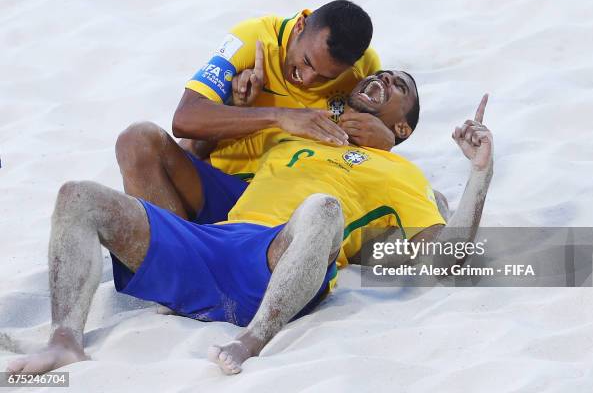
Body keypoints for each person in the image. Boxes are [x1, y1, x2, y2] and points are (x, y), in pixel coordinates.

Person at [6, 70, 494, 376]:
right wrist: (245, 101)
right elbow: (194, 163)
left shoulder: (401, 172)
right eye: (383, 74)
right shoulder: (302, 135)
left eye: (398, 87)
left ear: (402, 128)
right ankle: (65, 341)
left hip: (279, 259)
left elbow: (444, 261)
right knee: (78, 197)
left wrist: (479, 174)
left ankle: (251, 340)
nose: (384, 79)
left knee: (324, 208)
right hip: (213, 241)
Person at [115, 0, 396, 225]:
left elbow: (366, 154)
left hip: (291, 205)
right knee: (136, 141)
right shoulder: (253, 38)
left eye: (325, 77)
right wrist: (278, 116)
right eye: (307, 62)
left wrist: (387, 143)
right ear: (300, 26)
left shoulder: (365, 68)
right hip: (224, 187)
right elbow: (185, 119)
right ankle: (176, 263)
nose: (308, 79)